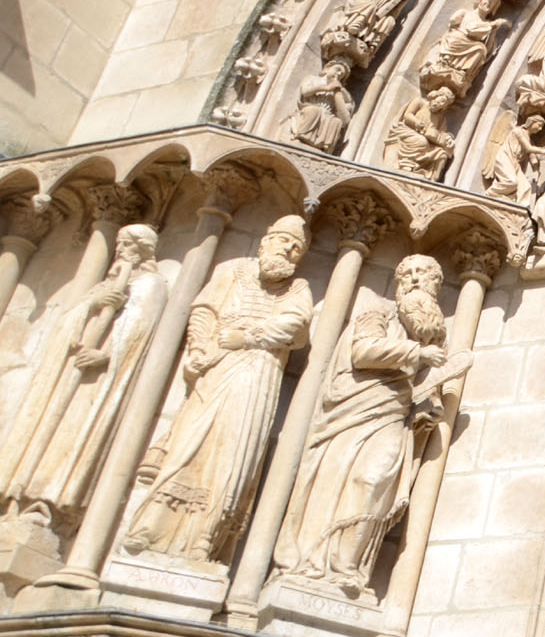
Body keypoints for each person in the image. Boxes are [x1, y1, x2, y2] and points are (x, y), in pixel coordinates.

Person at [123, 216, 313, 564]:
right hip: (217, 365)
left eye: (296, 247)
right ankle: (152, 525)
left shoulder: (297, 288)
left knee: (236, 454)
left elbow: (296, 325)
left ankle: (207, 537)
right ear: (264, 240)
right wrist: (198, 348)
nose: (288, 248)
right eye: (282, 240)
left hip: (258, 372)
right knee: (190, 443)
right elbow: (204, 311)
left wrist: (249, 336)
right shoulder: (233, 269)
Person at [272, 254, 450, 593]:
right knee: (339, 482)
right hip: (350, 412)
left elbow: (430, 388)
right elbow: (362, 351)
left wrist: (430, 408)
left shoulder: (434, 337)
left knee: (374, 480)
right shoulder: (377, 310)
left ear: (436, 286)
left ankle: (346, 566)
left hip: (393, 416)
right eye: (407, 274)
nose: (414, 280)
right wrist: (416, 354)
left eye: (423, 275)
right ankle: (315, 561)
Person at [0, 225, 168, 526]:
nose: (122, 249)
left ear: (145, 249)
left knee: (72, 438)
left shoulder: (150, 284)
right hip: (68, 371)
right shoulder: (105, 284)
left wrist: (107, 354)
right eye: (119, 243)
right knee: (40, 428)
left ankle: (44, 503)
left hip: (97, 380)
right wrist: (94, 304)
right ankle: (14, 497)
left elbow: (139, 331)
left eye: (130, 244)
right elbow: (66, 321)